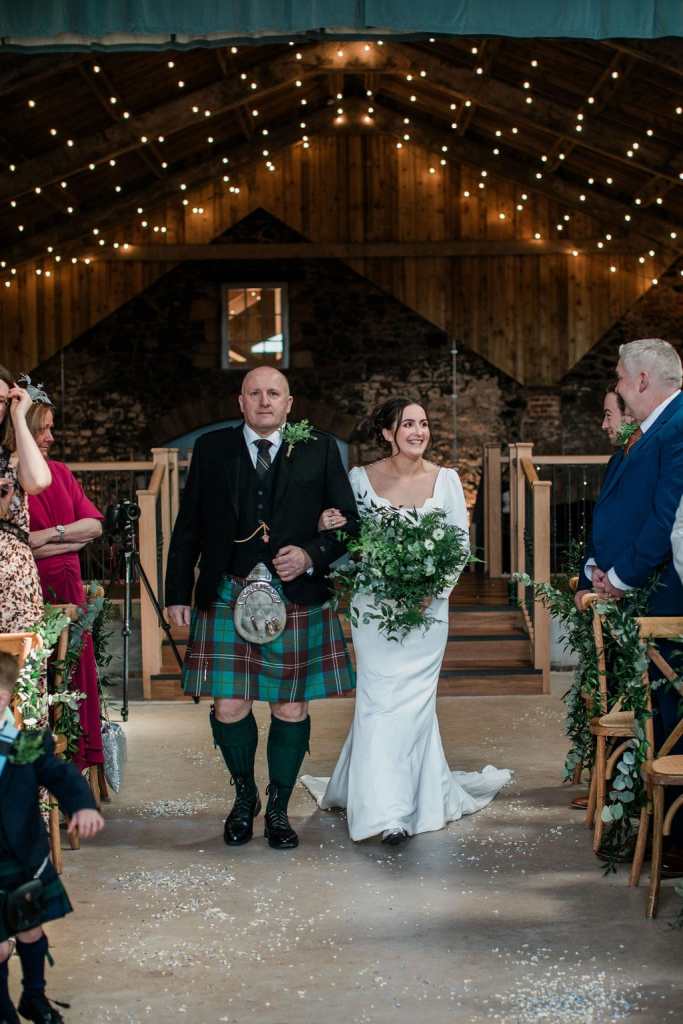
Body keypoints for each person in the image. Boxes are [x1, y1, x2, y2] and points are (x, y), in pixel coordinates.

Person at [165, 366, 358, 850]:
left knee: (290, 706)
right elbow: (189, 525)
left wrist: (311, 555)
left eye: (274, 393)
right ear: (241, 401)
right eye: (255, 393)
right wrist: (177, 592)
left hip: (295, 595)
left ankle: (278, 807)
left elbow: (348, 524)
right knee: (229, 705)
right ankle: (244, 795)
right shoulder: (213, 448)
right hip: (226, 589)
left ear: (289, 403)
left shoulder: (319, 448)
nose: (264, 400)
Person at [302, 398, 511, 844]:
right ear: (387, 433)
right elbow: (348, 542)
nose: (418, 431)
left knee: (415, 705)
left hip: (427, 612)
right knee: (377, 701)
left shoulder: (447, 480)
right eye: (408, 424)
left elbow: (458, 545)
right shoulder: (360, 480)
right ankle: (386, 811)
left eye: (424, 424)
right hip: (375, 610)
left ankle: (402, 804)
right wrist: (326, 523)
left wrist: (433, 590)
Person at [575, 339, 683, 865]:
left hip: (666, 590)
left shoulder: (676, 425)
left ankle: (676, 839)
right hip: (648, 589)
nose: (617, 386)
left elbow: (665, 518)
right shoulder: (658, 428)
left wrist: (620, 576)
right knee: (659, 710)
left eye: (619, 377)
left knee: (671, 708)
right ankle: (659, 827)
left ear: (641, 380)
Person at [0, 651, 104, 1024]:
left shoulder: (25, 744)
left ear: (5, 698)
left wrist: (83, 806)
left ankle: (33, 995)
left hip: (22, 857)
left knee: (29, 931)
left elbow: (61, 775)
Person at [26, 400, 105, 772]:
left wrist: (49, 535)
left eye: (51, 427)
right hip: (29, 587)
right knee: (36, 675)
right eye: (42, 429)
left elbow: (94, 527)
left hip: (68, 588)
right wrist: (70, 540)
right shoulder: (13, 477)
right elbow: (18, 545)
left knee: (72, 672)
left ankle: (75, 760)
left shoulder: (60, 472)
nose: (50, 437)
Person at [0, 367, 52, 636]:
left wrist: (19, 417)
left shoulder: (13, 455)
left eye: (1, 401)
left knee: (18, 659)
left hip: (13, 580)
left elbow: (39, 481)